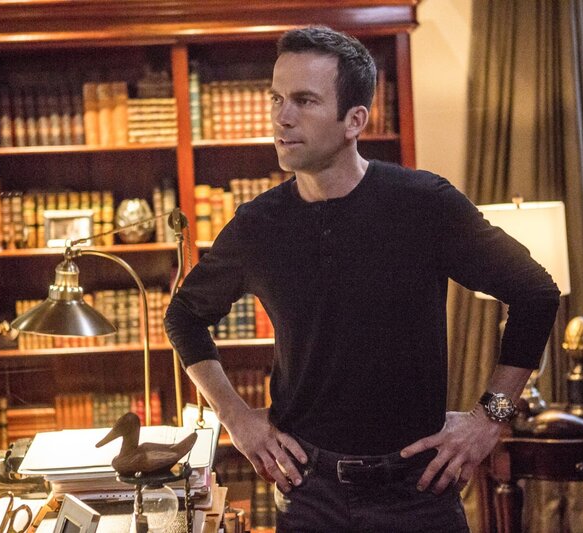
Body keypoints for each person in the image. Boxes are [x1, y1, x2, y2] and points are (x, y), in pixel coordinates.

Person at [165, 26, 560, 532]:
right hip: (309, 492)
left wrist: (490, 418)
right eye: (277, 98)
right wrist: (236, 419)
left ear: (355, 120)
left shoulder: (423, 204)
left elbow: (535, 294)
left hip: (418, 492)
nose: (282, 117)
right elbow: (184, 317)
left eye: (305, 100)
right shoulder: (257, 226)